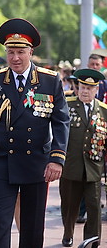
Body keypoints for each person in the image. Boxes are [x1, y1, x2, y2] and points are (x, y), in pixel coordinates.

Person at [0, 18, 70, 248]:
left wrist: (57, 159)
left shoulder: (49, 80)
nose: (15, 58)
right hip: (2, 162)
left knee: (33, 224)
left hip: (36, 163)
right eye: (10, 52)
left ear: (31, 52)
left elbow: (61, 121)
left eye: (20, 51)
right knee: (0, 223)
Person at [60, 68, 106, 248]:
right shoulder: (66, 105)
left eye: (89, 88)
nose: (85, 91)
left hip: (94, 168)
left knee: (94, 207)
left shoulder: (103, 110)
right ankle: (68, 232)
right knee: (69, 206)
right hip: (70, 166)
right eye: (82, 87)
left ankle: (93, 240)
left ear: (96, 89)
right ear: (77, 87)